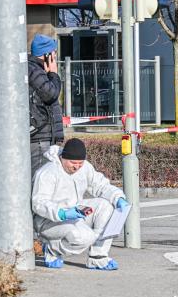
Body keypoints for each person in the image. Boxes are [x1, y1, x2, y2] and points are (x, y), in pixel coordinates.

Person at [32, 138, 129, 270]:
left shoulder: (85, 168)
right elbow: (39, 203)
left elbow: (100, 185)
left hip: (74, 213)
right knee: (84, 237)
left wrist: (118, 198)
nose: (76, 167)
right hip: (48, 221)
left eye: (80, 163)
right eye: (73, 162)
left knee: (106, 206)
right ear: (62, 158)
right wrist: (62, 213)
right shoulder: (47, 172)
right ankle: (52, 250)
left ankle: (98, 256)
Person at [28, 33, 64, 179]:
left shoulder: (38, 70)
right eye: (54, 53)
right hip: (39, 139)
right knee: (40, 181)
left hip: (43, 137)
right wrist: (54, 74)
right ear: (47, 55)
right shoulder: (34, 70)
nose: (55, 57)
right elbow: (51, 94)